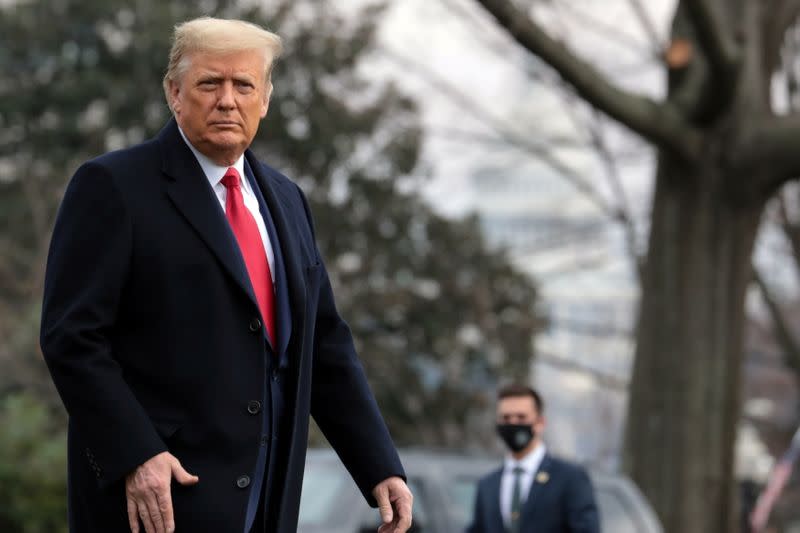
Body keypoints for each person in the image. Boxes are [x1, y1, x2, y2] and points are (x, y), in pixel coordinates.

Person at [40, 16, 412, 533]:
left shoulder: (287, 199)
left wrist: (379, 465)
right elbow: (71, 339)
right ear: (174, 92)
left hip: (269, 493)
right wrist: (134, 454)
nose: (227, 100)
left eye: (244, 85)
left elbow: (323, 342)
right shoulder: (112, 186)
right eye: (209, 83)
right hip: (160, 495)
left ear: (266, 98)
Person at [467, 384, 599, 533]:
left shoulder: (569, 478)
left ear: (540, 423)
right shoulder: (488, 485)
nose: (513, 423)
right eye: (506, 418)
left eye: (521, 417)